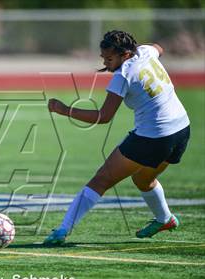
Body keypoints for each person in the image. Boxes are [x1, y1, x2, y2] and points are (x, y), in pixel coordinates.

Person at [44, 30, 190, 245]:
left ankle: (62, 230)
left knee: (101, 180)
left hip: (154, 137)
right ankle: (165, 219)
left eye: (109, 58)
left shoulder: (123, 75)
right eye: (103, 58)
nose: (106, 62)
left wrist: (65, 110)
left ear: (125, 54)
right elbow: (158, 47)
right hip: (181, 129)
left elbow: (103, 117)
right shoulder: (145, 52)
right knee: (143, 179)